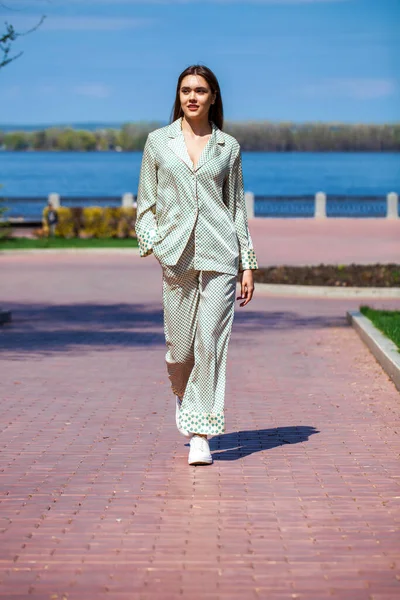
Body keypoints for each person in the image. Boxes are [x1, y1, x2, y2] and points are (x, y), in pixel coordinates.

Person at [135, 65, 258, 466]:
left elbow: (237, 208)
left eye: (200, 91)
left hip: (220, 253)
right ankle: (183, 396)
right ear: (179, 96)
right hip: (177, 256)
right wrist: (155, 244)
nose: (192, 97)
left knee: (210, 343)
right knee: (181, 350)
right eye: (186, 90)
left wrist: (247, 264)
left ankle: (201, 432)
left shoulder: (229, 147)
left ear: (213, 97)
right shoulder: (158, 142)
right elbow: (146, 204)